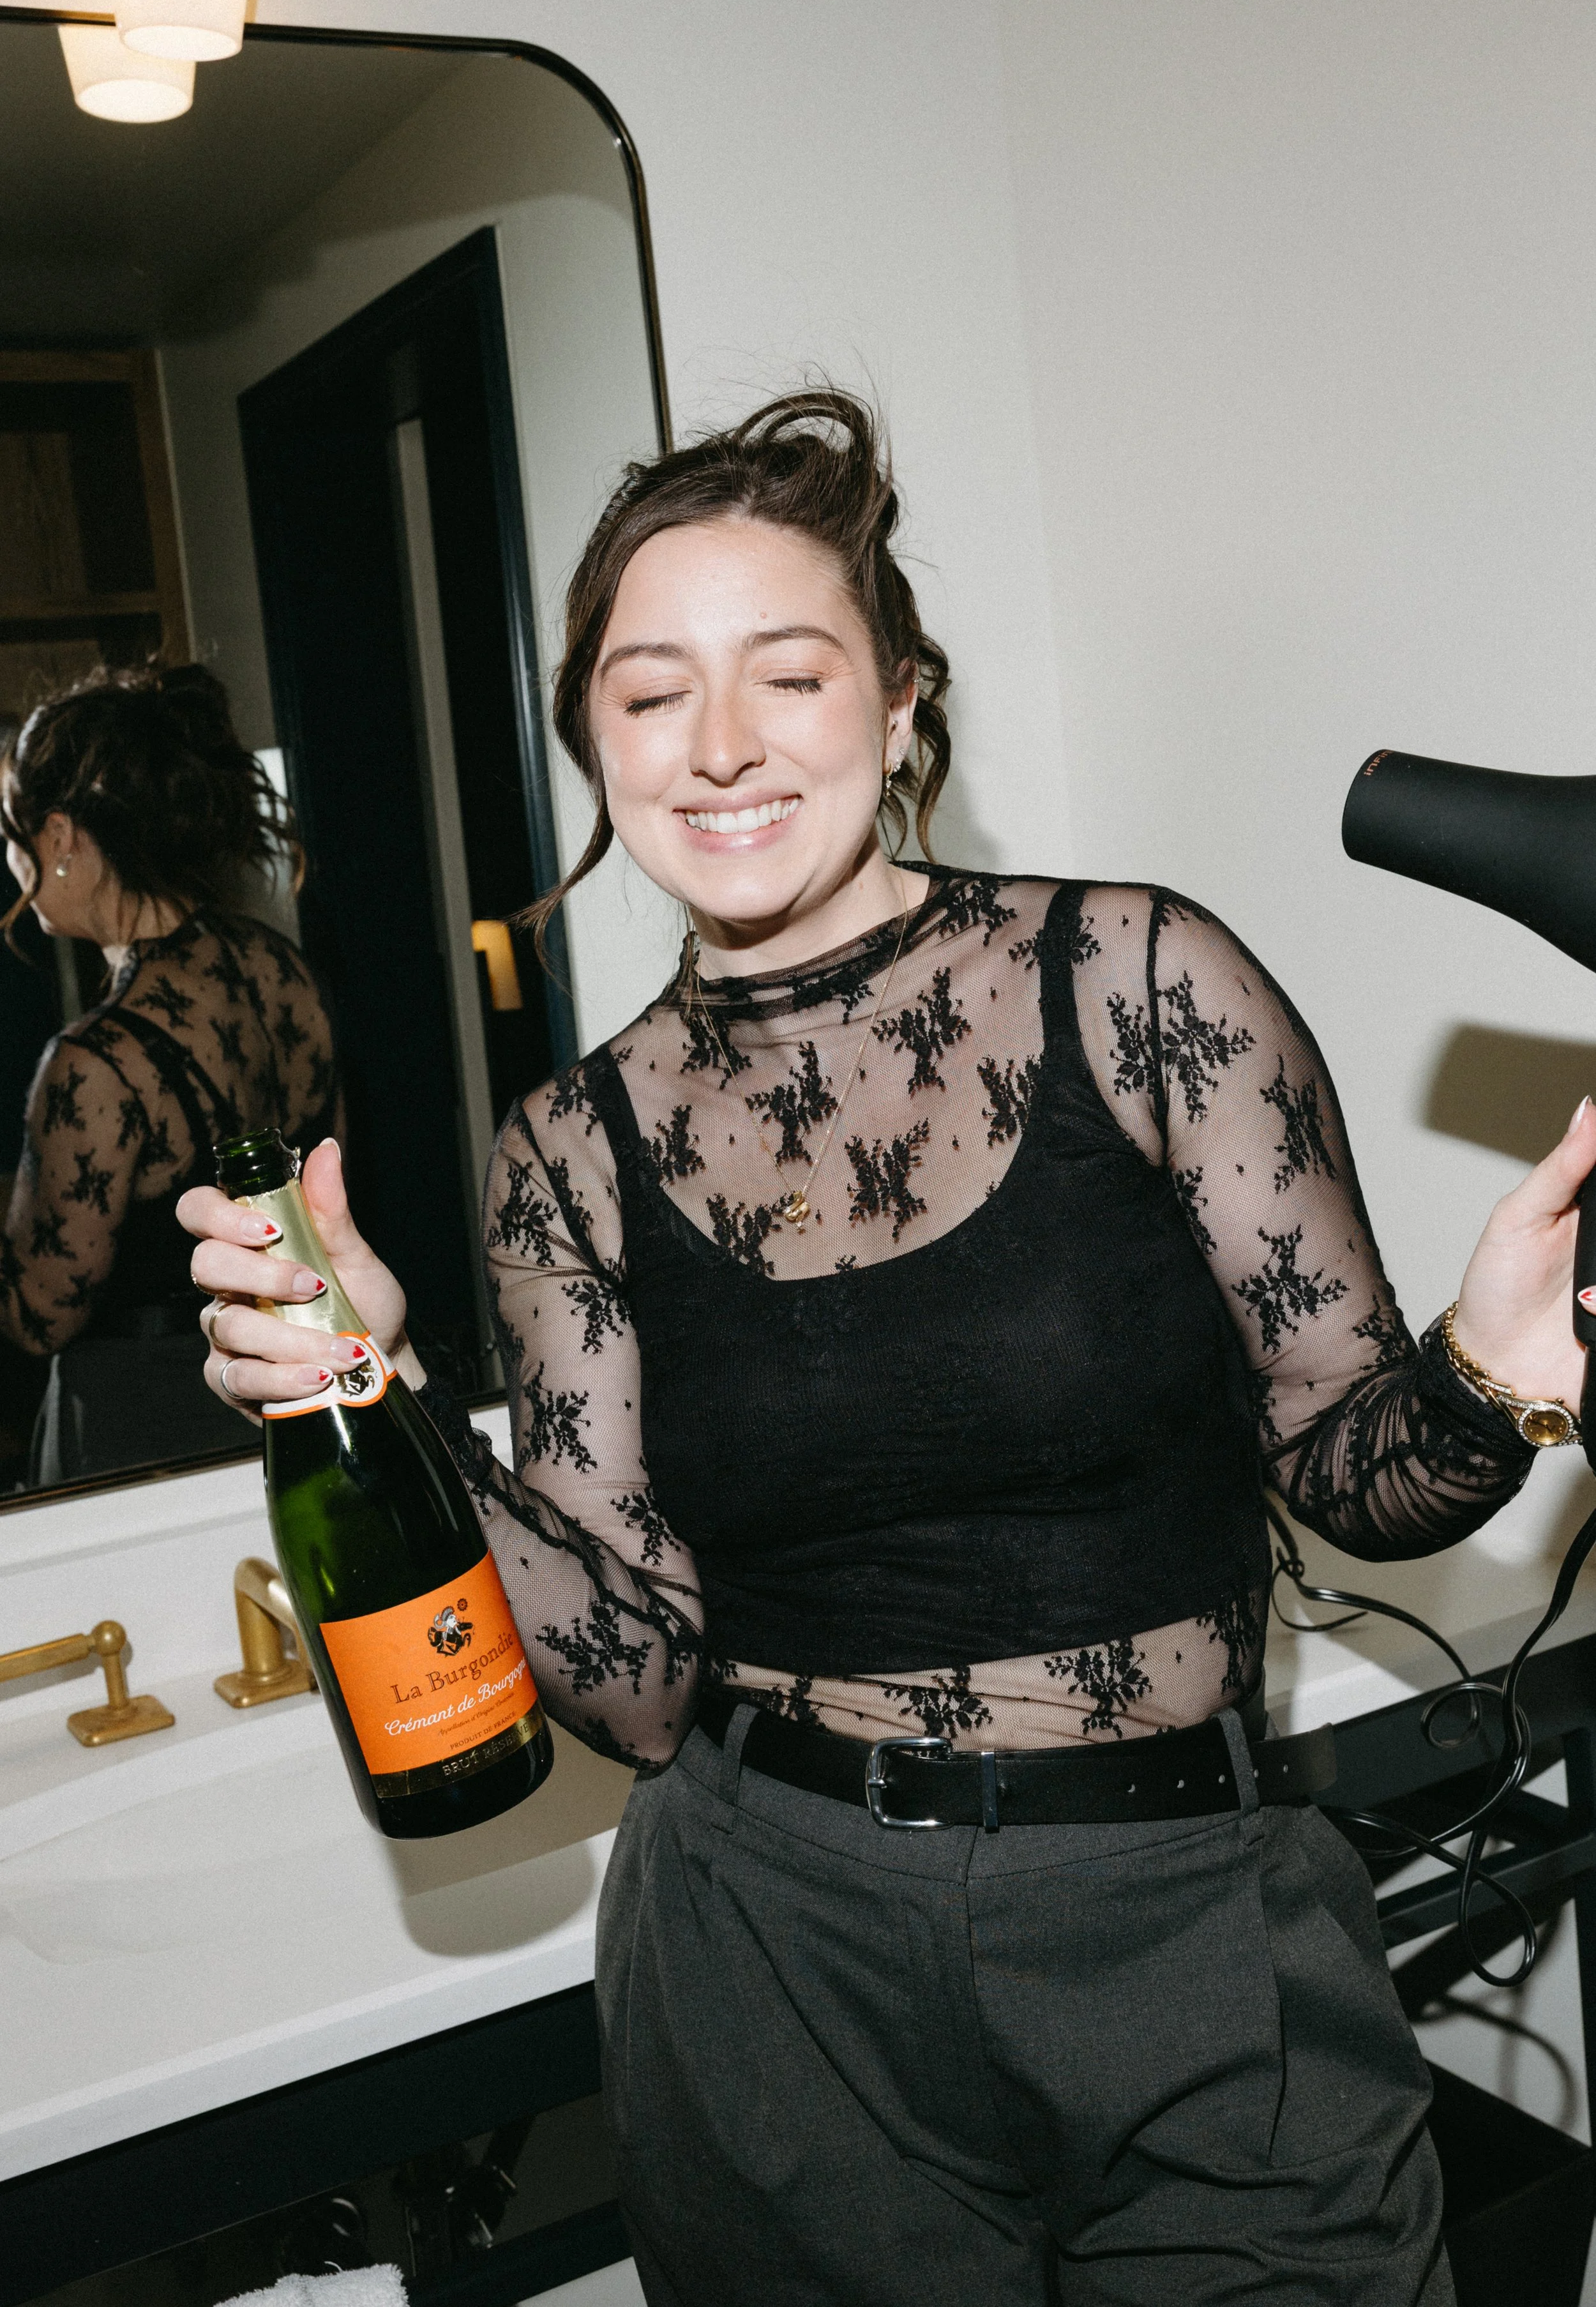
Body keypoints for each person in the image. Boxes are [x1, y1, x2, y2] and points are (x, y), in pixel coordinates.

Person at [180, 393, 1592, 2306]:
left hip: (1186, 1923)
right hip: (770, 1954)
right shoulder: (563, 1152)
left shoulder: (1140, 977)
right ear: (592, 736)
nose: (724, 745)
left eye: (790, 671)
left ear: (901, 699)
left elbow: (1355, 1468)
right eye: (651, 690)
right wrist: (384, 1389)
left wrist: (1496, 1358)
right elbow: (635, 1678)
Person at [1, 663, 338, 1488]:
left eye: (13, 835)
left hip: (140, 1431)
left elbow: (39, 1313)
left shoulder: (92, 1063)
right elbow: (325, 1207)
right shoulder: (281, 970)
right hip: (290, 1377)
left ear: (61, 838)